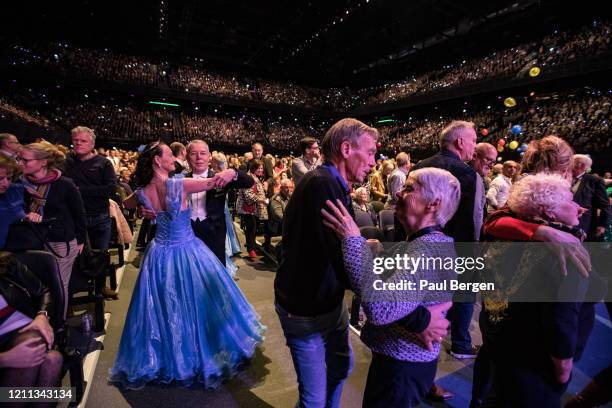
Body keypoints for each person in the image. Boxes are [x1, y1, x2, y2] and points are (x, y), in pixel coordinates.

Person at [109, 141, 264, 389]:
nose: (176, 157)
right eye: (171, 154)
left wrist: (143, 208)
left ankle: (170, 354)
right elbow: (212, 183)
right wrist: (228, 173)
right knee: (186, 303)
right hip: (187, 250)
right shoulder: (178, 183)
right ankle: (198, 353)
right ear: (157, 161)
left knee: (164, 307)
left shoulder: (142, 189)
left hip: (159, 255)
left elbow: (123, 203)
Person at [321, 167, 461, 407]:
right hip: (404, 363)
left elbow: (382, 307)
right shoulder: (428, 244)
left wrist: (353, 241)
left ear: (434, 203)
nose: (398, 193)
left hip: (400, 368)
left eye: (409, 188)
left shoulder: (426, 251)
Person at [275, 118, 379, 407]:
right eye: (370, 152)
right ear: (346, 148)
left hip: (327, 304)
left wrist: (358, 243)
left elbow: (333, 245)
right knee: (313, 400)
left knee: (340, 368)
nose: (374, 161)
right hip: (305, 311)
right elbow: (347, 266)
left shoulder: (330, 182)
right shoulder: (323, 184)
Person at [481, 173, 604, 407]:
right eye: (570, 200)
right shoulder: (566, 252)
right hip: (535, 361)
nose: (578, 207)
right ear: (549, 211)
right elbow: (561, 320)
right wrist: (563, 367)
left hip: (502, 343)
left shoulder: (504, 236)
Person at [18, 142, 86, 319]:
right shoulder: (17, 184)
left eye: (25, 160)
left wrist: (80, 240)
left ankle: (58, 325)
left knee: (58, 286)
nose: (20, 163)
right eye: (19, 159)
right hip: (31, 241)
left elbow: (79, 214)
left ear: (43, 162)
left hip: (61, 242)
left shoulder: (65, 184)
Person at [0, 252, 63, 404]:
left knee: (53, 359)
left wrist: (42, 315)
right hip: (7, 348)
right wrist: (5, 359)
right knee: (50, 359)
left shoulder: (7, 263)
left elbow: (43, 291)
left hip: (26, 332)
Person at [185, 140, 253, 266]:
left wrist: (233, 172)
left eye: (203, 153)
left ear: (209, 156)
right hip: (187, 233)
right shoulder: (181, 179)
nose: (199, 157)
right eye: (194, 153)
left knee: (214, 271)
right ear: (187, 157)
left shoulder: (220, 177)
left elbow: (249, 182)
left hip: (214, 232)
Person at [64, 126, 117, 251]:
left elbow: (110, 189)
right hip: (73, 217)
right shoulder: (67, 161)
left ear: (92, 144)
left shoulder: (104, 163)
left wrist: (78, 190)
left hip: (99, 217)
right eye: (75, 140)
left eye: (83, 141)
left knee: (99, 258)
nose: (78, 143)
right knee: (77, 260)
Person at [571, 154, 610, 241]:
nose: (568, 164)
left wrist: (602, 225)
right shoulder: (564, 178)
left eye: (571, 162)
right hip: (563, 223)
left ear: (582, 165)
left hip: (584, 224)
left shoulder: (594, 181)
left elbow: (605, 205)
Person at [237, 160, 268, 260]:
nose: (261, 170)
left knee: (254, 227)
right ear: (253, 168)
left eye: (262, 168)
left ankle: (252, 246)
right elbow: (248, 195)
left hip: (254, 207)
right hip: (247, 207)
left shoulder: (256, 177)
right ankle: (251, 250)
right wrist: (262, 200)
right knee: (251, 227)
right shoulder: (248, 177)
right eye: (259, 168)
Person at [0, 157, 25, 249]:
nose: (5, 183)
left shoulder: (16, 190)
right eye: (0, 178)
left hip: (16, 254)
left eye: (9, 178)